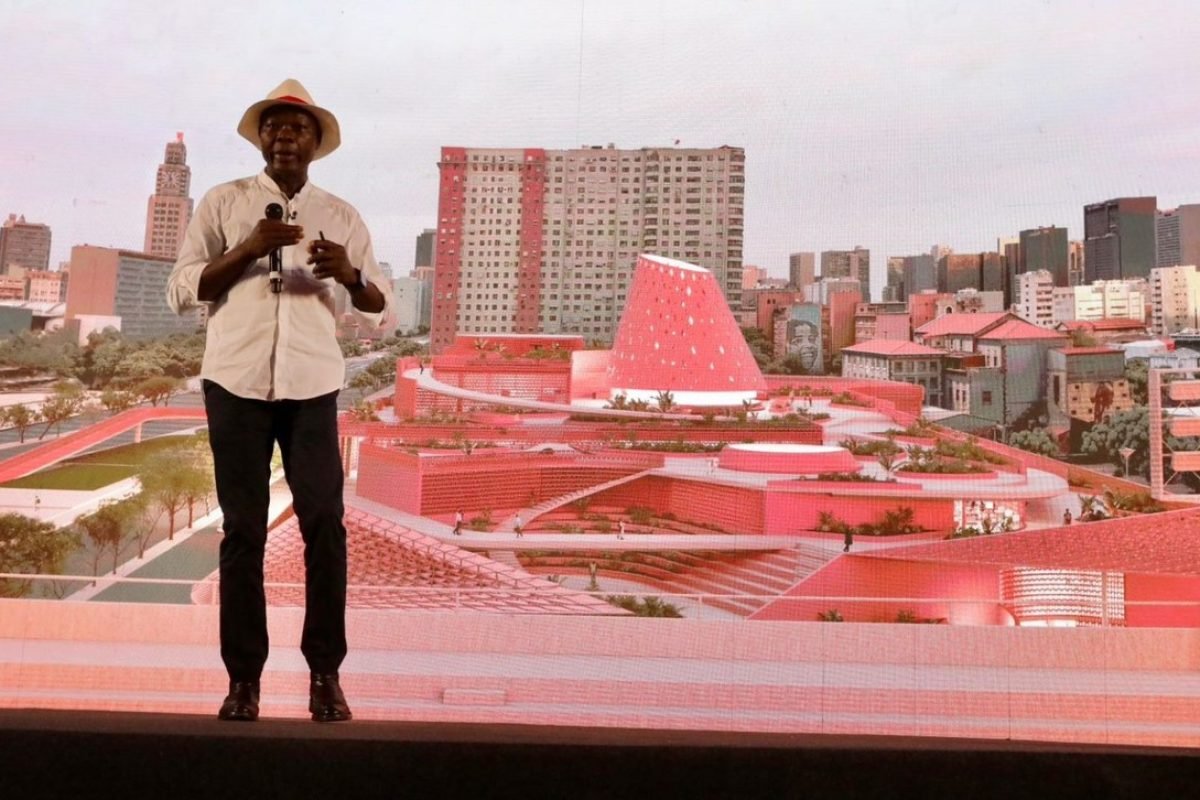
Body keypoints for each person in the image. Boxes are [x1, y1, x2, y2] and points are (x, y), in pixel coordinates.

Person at [167, 79, 391, 724]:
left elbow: (379, 308)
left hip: (313, 387)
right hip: (234, 383)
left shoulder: (342, 214)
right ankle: (244, 683)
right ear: (261, 138)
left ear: (317, 143)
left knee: (324, 526)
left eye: (298, 128)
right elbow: (183, 289)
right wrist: (247, 250)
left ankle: (325, 675)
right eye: (274, 126)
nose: (285, 136)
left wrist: (350, 274)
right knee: (243, 532)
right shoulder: (224, 202)